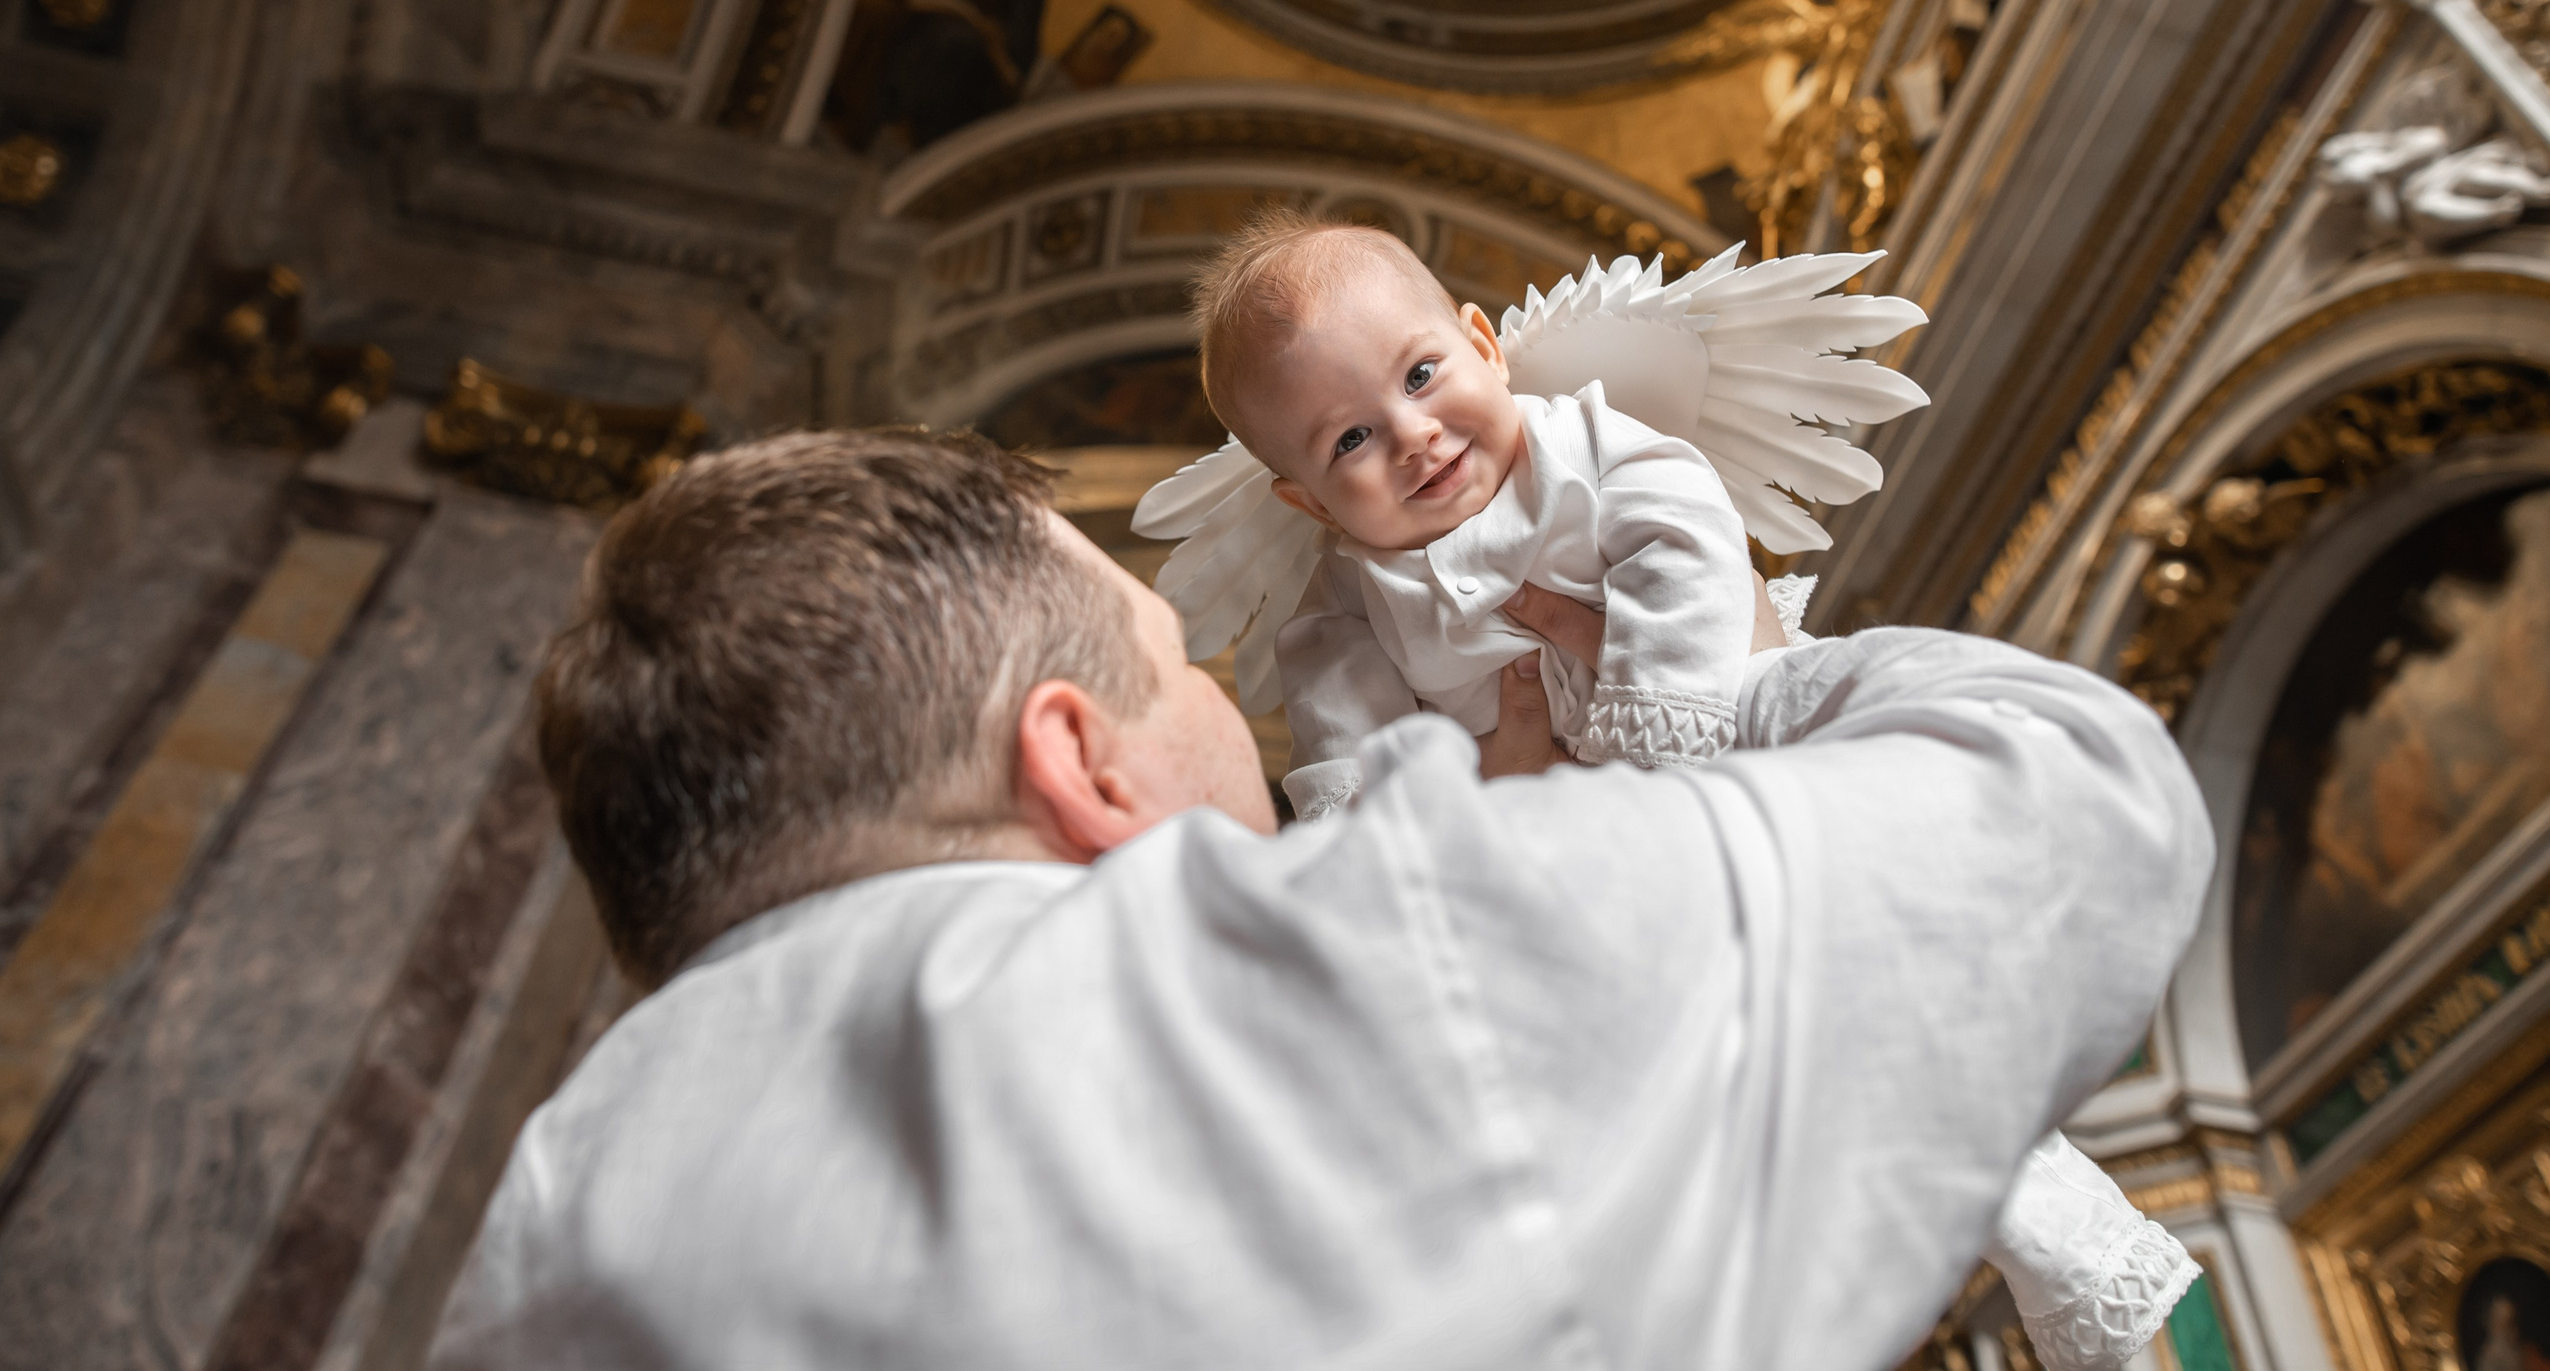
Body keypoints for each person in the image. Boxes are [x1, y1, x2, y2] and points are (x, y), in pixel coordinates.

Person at [428, 426, 2212, 1371]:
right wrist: (1718, 689)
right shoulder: (1295, 972)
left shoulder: (537, 1246)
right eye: (1177, 665)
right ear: (1081, 762)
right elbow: (2079, 796)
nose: (1233, 712)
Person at [1147, 216, 2197, 1366]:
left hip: (1739, 719)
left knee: (1877, 787)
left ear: (1485, 343)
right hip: (1592, 860)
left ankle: (2082, 1254)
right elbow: (1353, 778)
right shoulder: (1341, 618)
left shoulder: (1585, 445)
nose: (1412, 435)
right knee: (1794, 1065)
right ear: (1303, 500)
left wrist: (1659, 731)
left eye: (1421, 373)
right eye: (1349, 437)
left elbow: (1684, 536)